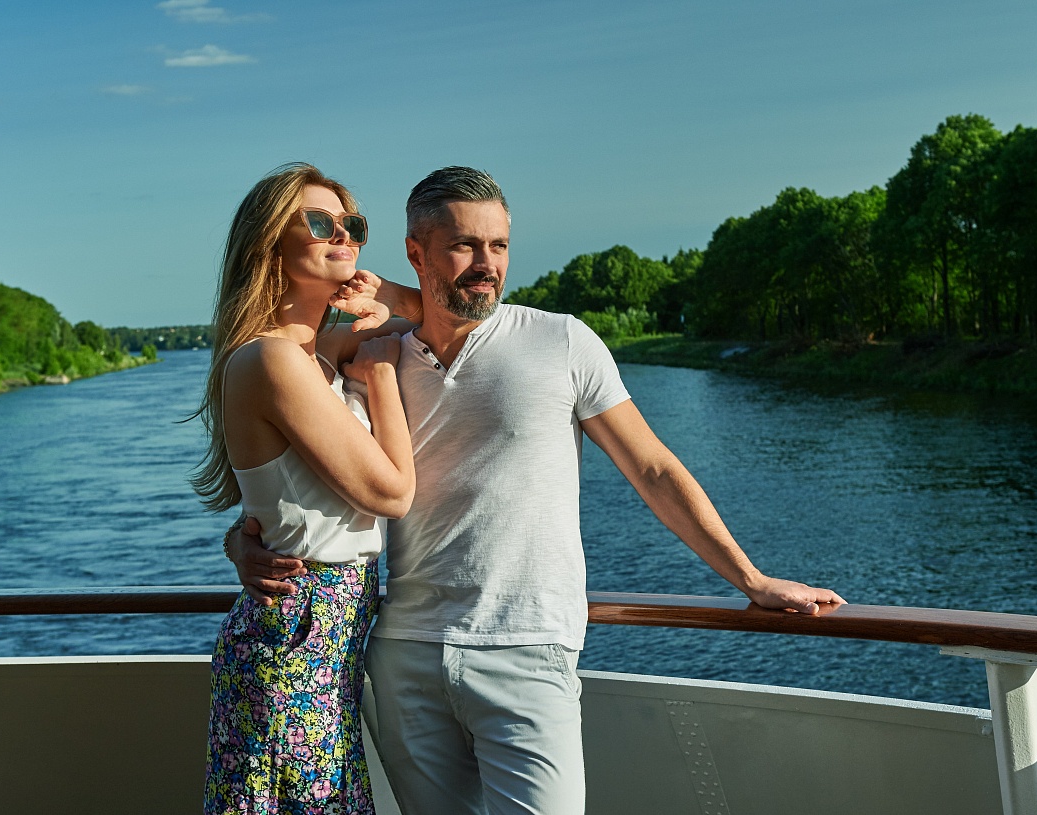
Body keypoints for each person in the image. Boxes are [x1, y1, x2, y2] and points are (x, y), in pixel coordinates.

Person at [227, 166, 844, 815]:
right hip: (405, 652)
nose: (486, 263)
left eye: (498, 245)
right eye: (464, 245)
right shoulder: (374, 350)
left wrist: (751, 578)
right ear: (417, 251)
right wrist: (243, 538)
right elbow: (295, 477)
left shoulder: (561, 340)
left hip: (526, 648)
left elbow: (653, 470)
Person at [192, 163, 416, 815]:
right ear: (269, 245)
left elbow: (453, 318)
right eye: (320, 223)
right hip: (298, 630)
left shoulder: (315, 356)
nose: (342, 234)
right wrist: (381, 380)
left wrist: (384, 296)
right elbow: (392, 493)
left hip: (327, 635)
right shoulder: (272, 359)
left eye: (353, 225)